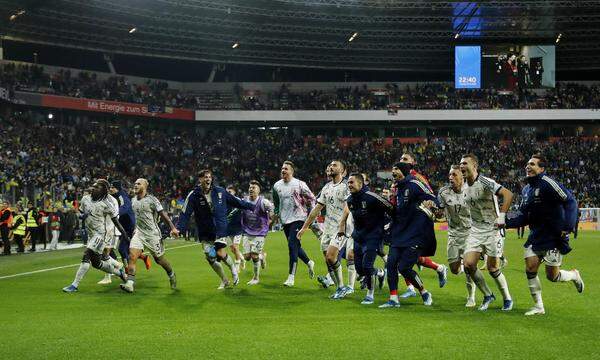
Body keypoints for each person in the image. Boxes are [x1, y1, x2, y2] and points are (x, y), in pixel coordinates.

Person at [506, 154, 584, 315]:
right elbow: (524, 216)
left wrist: (567, 227)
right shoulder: (527, 189)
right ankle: (538, 306)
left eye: (533, 164)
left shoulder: (548, 183)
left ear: (541, 169)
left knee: (552, 276)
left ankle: (574, 275)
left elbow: (570, 201)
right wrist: (506, 223)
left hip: (554, 236)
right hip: (536, 236)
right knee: (530, 268)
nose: (528, 166)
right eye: (527, 164)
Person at [174, 169, 255, 289]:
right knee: (209, 257)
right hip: (205, 230)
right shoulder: (194, 195)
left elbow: (236, 201)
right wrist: (178, 228)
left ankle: (233, 269)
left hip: (219, 228)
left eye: (209, 177)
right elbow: (185, 212)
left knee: (219, 252)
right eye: (205, 177)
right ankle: (224, 280)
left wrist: (253, 206)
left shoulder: (220, 191)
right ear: (200, 179)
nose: (207, 179)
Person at [460, 153, 514, 311]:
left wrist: (502, 217)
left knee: (493, 268)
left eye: (465, 163)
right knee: (468, 265)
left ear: (474, 166)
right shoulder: (464, 186)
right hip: (476, 229)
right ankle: (488, 295)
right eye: (460, 164)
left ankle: (507, 298)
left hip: (493, 229)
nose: (462, 166)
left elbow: (508, 194)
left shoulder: (485, 181)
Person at [380, 162, 436, 308]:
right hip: (398, 233)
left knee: (404, 267)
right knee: (391, 264)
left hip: (414, 233)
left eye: (396, 169)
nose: (393, 172)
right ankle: (393, 298)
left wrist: (433, 204)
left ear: (404, 171)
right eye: (392, 169)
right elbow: (397, 211)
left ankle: (424, 292)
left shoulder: (414, 184)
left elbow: (431, 196)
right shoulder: (396, 189)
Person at [298, 160, 354, 299]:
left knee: (331, 256)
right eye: (329, 165)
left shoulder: (346, 186)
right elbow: (317, 209)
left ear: (343, 171)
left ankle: (341, 287)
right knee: (328, 260)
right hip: (328, 228)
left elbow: (348, 206)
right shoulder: (327, 187)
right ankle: (339, 288)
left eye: (335, 165)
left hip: (341, 228)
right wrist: (304, 227)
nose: (330, 166)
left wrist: (342, 224)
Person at [62, 179, 130, 293]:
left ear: (103, 190)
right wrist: (81, 216)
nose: (93, 188)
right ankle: (119, 271)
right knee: (97, 263)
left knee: (87, 255)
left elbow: (116, 221)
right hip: (91, 234)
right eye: (93, 186)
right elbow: (81, 213)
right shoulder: (85, 199)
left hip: (102, 234)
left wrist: (125, 236)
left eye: (96, 187)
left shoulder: (110, 202)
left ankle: (74, 285)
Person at [397, 153, 448, 298]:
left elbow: (430, 196)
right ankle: (438, 268)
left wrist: (428, 211)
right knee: (410, 256)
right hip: (405, 222)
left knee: (405, 255)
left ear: (413, 162)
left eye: (406, 159)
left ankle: (412, 289)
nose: (402, 161)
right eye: (401, 159)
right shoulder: (399, 179)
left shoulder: (418, 178)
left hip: (417, 222)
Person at [338, 173, 391, 305]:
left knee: (367, 266)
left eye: (352, 182)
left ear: (360, 184)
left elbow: (390, 207)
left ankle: (370, 294)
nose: (349, 185)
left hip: (373, 237)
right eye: (348, 183)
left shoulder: (372, 197)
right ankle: (379, 272)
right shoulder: (350, 200)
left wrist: (389, 226)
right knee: (360, 270)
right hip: (358, 238)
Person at [120, 178, 178, 293]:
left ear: (145, 186)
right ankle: (130, 283)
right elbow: (137, 217)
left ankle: (171, 274)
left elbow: (163, 214)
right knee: (132, 256)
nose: (135, 185)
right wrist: (136, 228)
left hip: (153, 235)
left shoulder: (152, 200)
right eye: (135, 183)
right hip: (139, 233)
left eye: (138, 184)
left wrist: (173, 227)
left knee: (159, 260)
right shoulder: (133, 200)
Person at [272, 161, 316, 287]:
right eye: (282, 168)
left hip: (298, 218)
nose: (283, 171)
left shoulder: (299, 184)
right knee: (295, 246)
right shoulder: (276, 186)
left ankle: (291, 277)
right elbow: (276, 202)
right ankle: (309, 262)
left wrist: (310, 215)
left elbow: (312, 198)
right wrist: (277, 214)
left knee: (292, 246)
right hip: (285, 220)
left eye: (286, 169)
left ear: (292, 171)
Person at [437, 165, 476, 307]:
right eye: (449, 175)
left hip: (469, 233)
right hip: (453, 234)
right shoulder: (443, 192)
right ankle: (457, 264)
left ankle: (471, 296)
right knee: (454, 269)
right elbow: (439, 209)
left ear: (462, 176)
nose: (450, 177)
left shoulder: (471, 191)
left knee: (468, 268)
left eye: (454, 175)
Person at [240, 180, 274, 285]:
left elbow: (272, 209)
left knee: (254, 256)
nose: (251, 189)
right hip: (246, 231)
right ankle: (262, 256)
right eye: (250, 187)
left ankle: (256, 278)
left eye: (253, 188)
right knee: (247, 257)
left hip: (260, 232)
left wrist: (271, 218)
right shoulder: (244, 201)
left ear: (258, 190)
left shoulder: (264, 202)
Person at [225, 185, 245, 272]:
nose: (228, 193)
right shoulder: (224, 202)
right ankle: (242, 259)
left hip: (238, 228)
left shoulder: (238, 201)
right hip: (228, 229)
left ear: (234, 192)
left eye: (230, 191)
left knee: (236, 247)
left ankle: (237, 265)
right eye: (227, 192)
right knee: (232, 249)